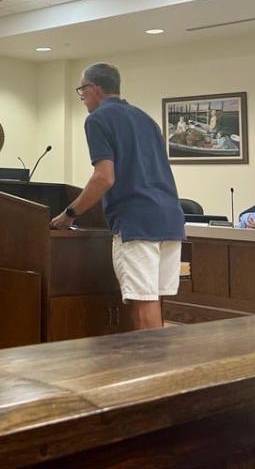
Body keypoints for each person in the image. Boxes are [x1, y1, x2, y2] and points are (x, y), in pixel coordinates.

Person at [48, 62, 185, 331]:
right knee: (153, 300)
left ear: (93, 89)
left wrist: (69, 214)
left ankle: (154, 370)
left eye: (82, 91)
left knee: (142, 304)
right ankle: (159, 366)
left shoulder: (98, 119)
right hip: (170, 219)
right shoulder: (147, 120)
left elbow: (104, 178)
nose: (82, 98)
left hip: (137, 222)